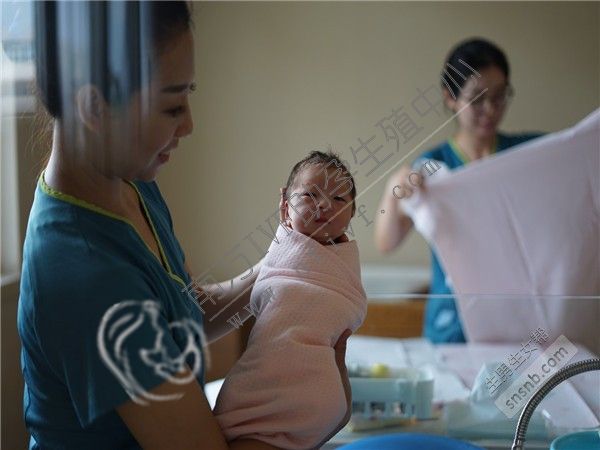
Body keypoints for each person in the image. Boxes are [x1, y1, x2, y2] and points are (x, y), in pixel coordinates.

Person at [18, 2, 351, 449]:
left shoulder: (127, 184)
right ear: (94, 108)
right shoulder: (87, 274)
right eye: (172, 106)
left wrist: (289, 265)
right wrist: (320, 414)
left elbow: (185, 312)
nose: (189, 124)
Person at [374, 38, 543, 344]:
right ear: (450, 97)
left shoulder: (528, 155)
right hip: (451, 327)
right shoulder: (432, 168)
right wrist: (391, 192)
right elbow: (386, 242)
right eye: (477, 99)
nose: (490, 110)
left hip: (519, 327)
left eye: (500, 96)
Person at [214, 151, 366, 449]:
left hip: (320, 393)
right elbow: (272, 289)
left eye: (339, 199)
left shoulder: (345, 265)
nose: (324, 205)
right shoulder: (281, 254)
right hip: (264, 389)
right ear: (285, 207)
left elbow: (349, 307)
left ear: (351, 214)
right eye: (311, 194)